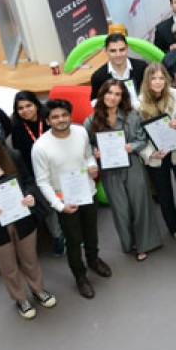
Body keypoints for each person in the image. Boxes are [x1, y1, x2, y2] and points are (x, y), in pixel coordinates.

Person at [32, 99, 112, 299]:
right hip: (65, 200)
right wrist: (59, 206)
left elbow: (88, 156)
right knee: (74, 241)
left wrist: (92, 165)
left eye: (64, 115)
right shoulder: (40, 147)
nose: (61, 120)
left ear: (70, 115)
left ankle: (93, 260)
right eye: (55, 117)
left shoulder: (81, 132)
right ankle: (80, 276)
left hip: (88, 192)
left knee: (91, 233)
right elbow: (42, 182)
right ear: (48, 121)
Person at [85, 80, 162, 262]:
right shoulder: (91, 120)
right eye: (109, 93)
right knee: (121, 209)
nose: (112, 97)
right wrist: (95, 152)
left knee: (140, 204)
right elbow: (88, 145)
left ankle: (145, 243)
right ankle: (129, 243)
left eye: (117, 94)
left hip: (132, 164)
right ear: (102, 94)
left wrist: (131, 146)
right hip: (109, 170)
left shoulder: (132, 116)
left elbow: (142, 139)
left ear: (122, 97)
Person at [0, 126, 57, 319]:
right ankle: (21, 299)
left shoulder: (12, 157)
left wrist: (29, 195)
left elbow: (28, 181)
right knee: (8, 267)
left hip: (22, 218)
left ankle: (38, 289)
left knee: (30, 259)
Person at [137, 63, 176, 244]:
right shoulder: (138, 104)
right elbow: (136, 136)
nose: (158, 82)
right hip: (157, 156)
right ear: (147, 80)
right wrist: (149, 154)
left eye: (161, 78)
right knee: (164, 194)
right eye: (153, 78)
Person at [10, 91, 65, 256]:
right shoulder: (18, 129)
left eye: (28, 105)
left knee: (67, 200)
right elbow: (22, 159)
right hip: (37, 175)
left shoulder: (49, 120)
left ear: (36, 104)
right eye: (20, 108)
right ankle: (58, 236)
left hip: (60, 168)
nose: (25, 110)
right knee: (49, 207)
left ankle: (73, 232)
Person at [89, 33, 147, 106]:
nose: (118, 54)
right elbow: (94, 101)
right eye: (113, 51)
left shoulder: (141, 67)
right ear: (106, 50)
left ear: (127, 48)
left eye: (122, 50)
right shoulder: (98, 76)